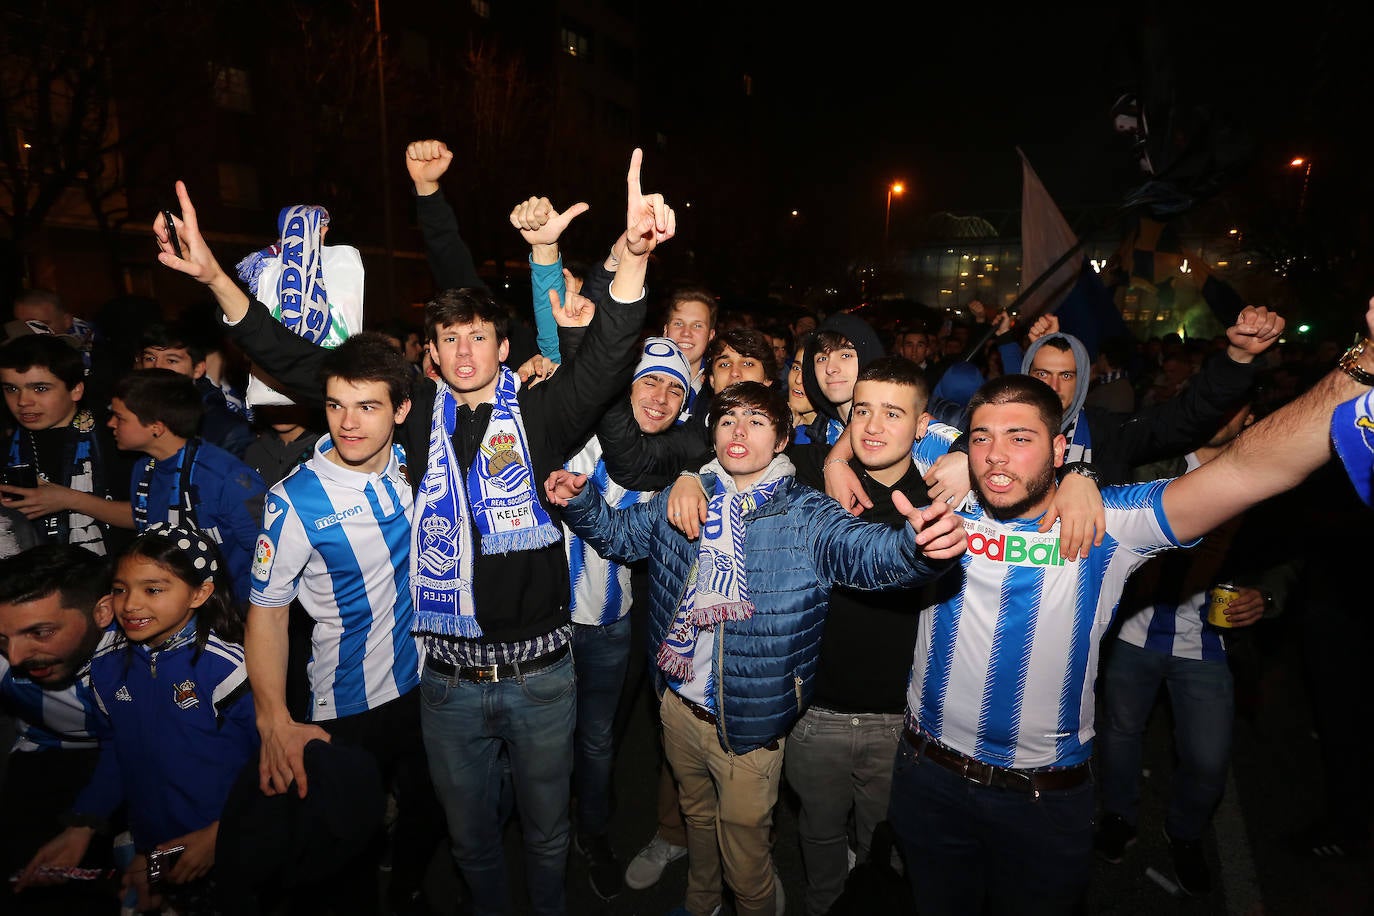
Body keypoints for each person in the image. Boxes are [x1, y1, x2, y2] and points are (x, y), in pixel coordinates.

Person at [151, 146, 672, 916]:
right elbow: (297, 362)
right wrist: (216, 281)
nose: (464, 351)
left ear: (506, 349)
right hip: (448, 686)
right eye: (448, 339)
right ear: (428, 355)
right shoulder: (412, 419)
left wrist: (630, 255)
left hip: (542, 681)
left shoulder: (546, 414)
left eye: (479, 338)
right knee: (471, 843)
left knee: (548, 835)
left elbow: (605, 356)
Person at [886, 301, 1374, 914]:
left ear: (1061, 449)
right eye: (983, 438)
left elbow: (1252, 467)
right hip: (926, 776)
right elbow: (862, 408)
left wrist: (1364, 365)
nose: (996, 456)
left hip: (1040, 800)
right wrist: (935, 444)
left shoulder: (1108, 523)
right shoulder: (946, 491)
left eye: (1020, 438)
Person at [547, 380, 965, 916]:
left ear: (783, 437)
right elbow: (621, 537)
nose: (738, 431)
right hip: (677, 707)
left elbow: (869, 554)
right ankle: (701, 904)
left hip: (750, 722)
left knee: (746, 860)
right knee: (697, 824)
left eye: (756, 422)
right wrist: (581, 500)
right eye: (726, 421)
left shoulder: (807, 515)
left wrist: (920, 550)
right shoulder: (685, 497)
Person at [225, 332, 442, 915]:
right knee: (344, 840)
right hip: (348, 702)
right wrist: (273, 718)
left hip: (429, 684)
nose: (348, 423)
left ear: (400, 411)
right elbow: (266, 612)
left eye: (368, 406)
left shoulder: (417, 460)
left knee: (428, 809)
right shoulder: (295, 501)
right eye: (336, 404)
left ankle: (410, 890)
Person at [20, 525, 258, 915]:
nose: (129, 604)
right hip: (155, 846)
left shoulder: (229, 669)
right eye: (119, 589)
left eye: (153, 589)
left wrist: (221, 836)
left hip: (227, 844)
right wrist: (85, 821)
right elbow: (118, 749)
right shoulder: (107, 666)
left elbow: (270, 767)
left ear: (199, 593)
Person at [1094, 401, 1280, 896]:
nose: (1227, 418)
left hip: (1207, 643)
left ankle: (1186, 835)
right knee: (1119, 734)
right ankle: (1118, 816)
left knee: (1207, 759)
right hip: (1134, 632)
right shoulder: (1155, 467)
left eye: (1239, 411)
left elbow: (1286, 550)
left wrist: (1266, 594)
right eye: (1220, 407)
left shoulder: (1258, 478)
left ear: (1248, 419)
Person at [785, 357, 941, 916]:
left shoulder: (942, 503)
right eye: (861, 411)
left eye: (893, 413)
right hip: (814, 713)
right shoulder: (810, 481)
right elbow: (725, 453)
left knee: (886, 853)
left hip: (899, 722)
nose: (872, 426)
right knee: (819, 840)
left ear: (922, 426)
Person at [0, 544, 118, 915]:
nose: (16, 657)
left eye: (41, 632)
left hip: (138, 759)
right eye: (3, 639)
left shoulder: (150, 652)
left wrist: (84, 825)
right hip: (48, 756)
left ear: (102, 612)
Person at [107, 369, 267, 609]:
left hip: (229, 611)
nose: (110, 424)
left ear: (156, 427)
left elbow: (268, 557)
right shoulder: (144, 469)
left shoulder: (228, 479)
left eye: (120, 418)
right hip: (170, 607)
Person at [0, 334, 134, 556]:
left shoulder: (116, 438)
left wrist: (68, 499)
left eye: (40, 389)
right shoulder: (8, 449)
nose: (23, 401)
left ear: (76, 390)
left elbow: (153, 515)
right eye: (11, 389)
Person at [138, 320, 255, 457]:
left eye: (171, 360)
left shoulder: (223, 428)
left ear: (198, 369)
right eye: (150, 358)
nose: (157, 367)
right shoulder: (131, 414)